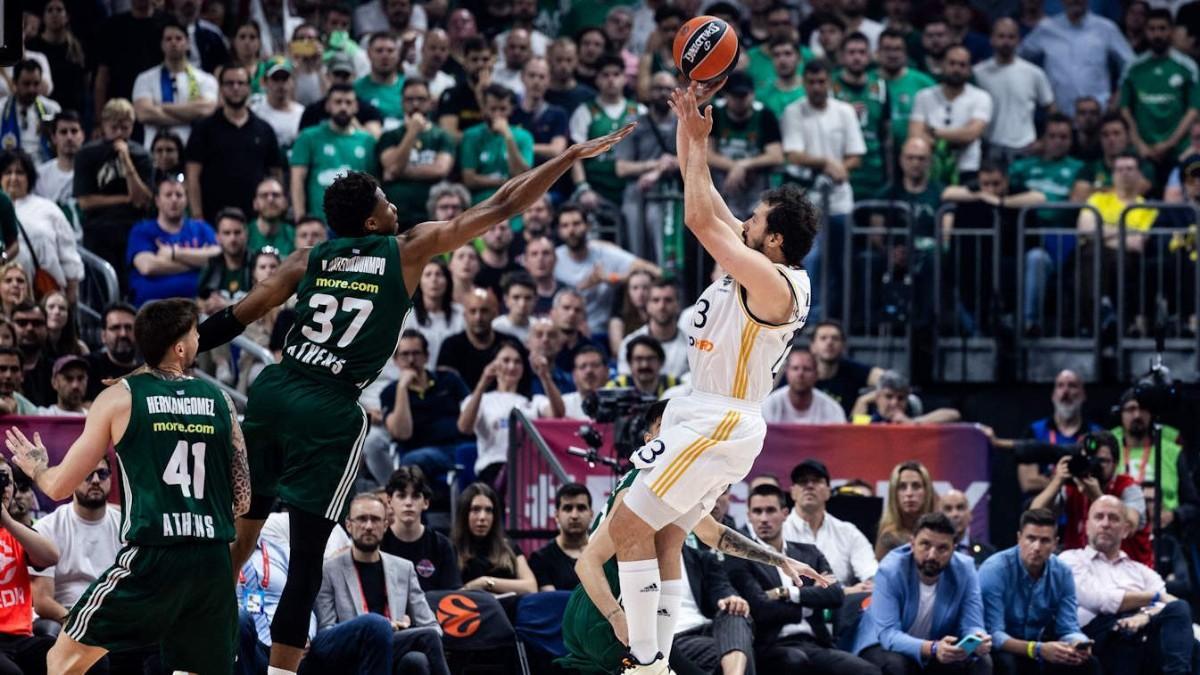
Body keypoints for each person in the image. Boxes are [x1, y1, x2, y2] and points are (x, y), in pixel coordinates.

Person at [205, 122, 632, 675]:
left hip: (271, 394)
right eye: (384, 200)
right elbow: (502, 204)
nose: (393, 205)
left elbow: (231, 318)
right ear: (369, 220)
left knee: (242, 541)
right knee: (308, 557)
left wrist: (157, 362)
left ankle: (198, 653)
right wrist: (566, 157)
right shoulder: (406, 249)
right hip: (328, 407)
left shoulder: (304, 259)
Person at [596, 82, 818, 673]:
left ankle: (644, 663)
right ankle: (660, 660)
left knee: (625, 526)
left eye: (757, 219)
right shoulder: (755, 260)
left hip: (721, 415)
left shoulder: (780, 284)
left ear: (774, 239)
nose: (744, 220)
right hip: (704, 411)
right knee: (666, 536)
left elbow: (697, 216)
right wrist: (688, 131)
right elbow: (710, 198)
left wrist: (696, 143)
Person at [5, 298, 250, 675]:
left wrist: (38, 469)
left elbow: (57, 487)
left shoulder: (120, 397)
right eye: (195, 333)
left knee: (62, 658)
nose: (200, 338)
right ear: (180, 347)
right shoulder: (221, 400)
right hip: (212, 559)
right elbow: (243, 497)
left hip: (155, 556)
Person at [561, 400, 831, 674]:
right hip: (603, 610)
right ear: (650, 440)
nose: (677, 435)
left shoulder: (672, 489)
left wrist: (778, 559)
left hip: (637, 611)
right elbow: (586, 563)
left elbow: (715, 534)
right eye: (667, 427)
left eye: (682, 427)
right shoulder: (636, 490)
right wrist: (616, 618)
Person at [726, 482, 876, 673]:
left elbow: (835, 594)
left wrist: (786, 592)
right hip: (772, 646)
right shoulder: (741, 559)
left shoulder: (809, 553)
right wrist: (809, 606)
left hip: (816, 642)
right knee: (795, 661)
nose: (764, 518)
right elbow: (760, 608)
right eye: (757, 511)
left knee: (868, 671)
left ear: (785, 514)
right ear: (749, 516)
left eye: (771, 510)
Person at [1059, 496, 1198, 674]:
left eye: (1113, 518)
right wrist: (1153, 597)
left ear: (1125, 530)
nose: (1105, 523)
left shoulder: (1141, 571)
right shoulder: (1070, 559)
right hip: (1097, 637)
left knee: (1180, 610)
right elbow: (1098, 600)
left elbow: (1168, 606)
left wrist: (1144, 617)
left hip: (1141, 632)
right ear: (1087, 526)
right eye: (1099, 517)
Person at [315, 494, 450, 675]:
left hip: (392, 646)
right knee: (378, 625)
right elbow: (326, 631)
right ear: (349, 525)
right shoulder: (329, 570)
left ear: (385, 525)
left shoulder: (404, 568)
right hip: (349, 651)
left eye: (376, 520)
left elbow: (433, 627)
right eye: (362, 519)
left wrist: (404, 628)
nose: (369, 526)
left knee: (417, 659)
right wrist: (382, 626)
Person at [854, 512, 994, 674]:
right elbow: (888, 634)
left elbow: (972, 623)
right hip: (881, 643)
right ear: (912, 544)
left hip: (937, 645)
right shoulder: (890, 570)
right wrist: (933, 648)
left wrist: (978, 638)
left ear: (953, 550)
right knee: (897, 665)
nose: (932, 555)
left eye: (942, 548)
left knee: (981, 661)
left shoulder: (965, 569)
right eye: (925, 545)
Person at [781, 58, 864, 319]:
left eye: (821, 81)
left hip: (840, 200)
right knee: (813, 260)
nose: (817, 87)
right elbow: (793, 154)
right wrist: (827, 162)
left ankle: (838, 319)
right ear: (804, 83)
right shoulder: (794, 111)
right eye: (812, 82)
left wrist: (840, 167)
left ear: (830, 82)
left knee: (842, 263)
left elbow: (856, 156)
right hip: (807, 202)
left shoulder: (844, 112)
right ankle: (811, 317)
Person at [978, 509, 1098, 675]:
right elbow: (994, 635)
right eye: (1031, 538)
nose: (1036, 547)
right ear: (1019, 538)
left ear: (1055, 543)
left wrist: (1079, 643)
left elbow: (1068, 627)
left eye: (1044, 541)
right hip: (1000, 648)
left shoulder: (1062, 572)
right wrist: (1037, 649)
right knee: (1008, 663)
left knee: (1085, 662)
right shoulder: (995, 569)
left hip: (1039, 645)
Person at [184, 63, 284, 224]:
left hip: (256, 222)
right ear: (221, 88)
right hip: (212, 220)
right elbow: (192, 176)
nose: (235, 88)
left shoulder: (264, 130)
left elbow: (276, 175)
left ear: (249, 87)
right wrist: (197, 216)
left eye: (240, 83)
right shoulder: (203, 129)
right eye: (230, 83)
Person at [72, 98, 153, 294]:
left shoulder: (141, 155)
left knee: (131, 288)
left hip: (132, 230)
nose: (119, 133)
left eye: (124, 127)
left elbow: (142, 200)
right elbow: (85, 202)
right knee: (100, 289)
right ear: (104, 125)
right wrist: (125, 199)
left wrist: (126, 159)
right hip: (99, 230)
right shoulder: (87, 154)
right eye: (114, 127)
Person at [30, 457, 122, 629]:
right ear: (72, 479)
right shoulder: (48, 528)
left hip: (117, 617)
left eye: (102, 474)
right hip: (68, 617)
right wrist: (77, 622)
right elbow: (42, 601)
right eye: (87, 474)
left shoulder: (126, 526)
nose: (95, 481)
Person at [457, 340, 564, 485]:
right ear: (493, 364)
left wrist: (545, 376)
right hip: (493, 470)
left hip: (527, 471)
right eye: (505, 361)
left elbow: (558, 413)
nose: (511, 366)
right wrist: (483, 383)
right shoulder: (480, 399)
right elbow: (464, 427)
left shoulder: (532, 401)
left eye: (517, 362)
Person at [375, 330, 472, 486]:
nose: (411, 360)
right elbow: (402, 433)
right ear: (395, 360)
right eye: (405, 355)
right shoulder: (390, 393)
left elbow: (471, 411)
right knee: (416, 461)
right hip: (416, 452)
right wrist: (402, 389)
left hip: (456, 447)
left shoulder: (449, 380)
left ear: (427, 356)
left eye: (416, 353)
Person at [554, 203, 661, 339]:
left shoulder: (604, 252)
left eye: (576, 224)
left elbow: (654, 271)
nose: (571, 230)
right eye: (565, 225)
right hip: (566, 332)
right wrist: (584, 286)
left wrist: (613, 278)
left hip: (604, 331)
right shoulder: (553, 258)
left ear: (588, 226)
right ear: (559, 230)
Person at [1118, 8, 1199, 182]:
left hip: (1179, 150)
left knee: (1181, 199)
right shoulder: (1133, 68)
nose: (1157, 34)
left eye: (1162, 28)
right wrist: (1139, 144)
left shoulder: (1187, 67)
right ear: (1145, 31)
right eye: (1152, 29)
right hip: (1142, 150)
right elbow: (1125, 109)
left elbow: (1193, 110)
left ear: (1171, 30)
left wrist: (1169, 143)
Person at [1018, 0, 1134, 115]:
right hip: (1060, 116)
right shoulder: (1046, 28)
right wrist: (1039, 93)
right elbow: (1018, 56)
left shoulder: (1105, 28)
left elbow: (1131, 63)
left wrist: (1120, 94)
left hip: (1098, 114)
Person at [0, 456, 60, 673]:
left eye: (6, 481)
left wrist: (5, 518)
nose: (3, 488)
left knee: (83, 658)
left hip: (21, 639)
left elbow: (51, 556)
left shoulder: (17, 533)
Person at [0, 149, 84, 302]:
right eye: (7, 172)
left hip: (45, 295)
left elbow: (68, 255)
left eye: (19, 172)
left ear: (29, 177)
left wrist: (71, 296)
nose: (13, 178)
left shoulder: (48, 209)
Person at [783, 459, 877, 592]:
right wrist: (840, 592)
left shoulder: (848, 532)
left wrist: (870, 584)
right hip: (793, 607)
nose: (809, 486)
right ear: (792, 492)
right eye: (802, 481)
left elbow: (871, 573)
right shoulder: (780, 532)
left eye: (816, 480)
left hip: (842, 609)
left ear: (828, 491)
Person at [126, 176, 220, 306]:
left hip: (198, 306)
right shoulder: (142, 230)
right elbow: (148, 267)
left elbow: (218, 256)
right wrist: (198, 263)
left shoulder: (201, 228)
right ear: (157, 201)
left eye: (179, 195)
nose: (174, 199)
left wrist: (174, 253)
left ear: (186, 199)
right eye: (168, 195)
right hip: (152, 308)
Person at [289, 84, 378, 221]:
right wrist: (300, 219)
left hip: (358, 226)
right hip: (319, 223)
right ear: (328, 106)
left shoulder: (367, 141)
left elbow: (375, 185)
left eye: (348, 102)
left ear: (356, 107)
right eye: (338, 102)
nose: (343, 107)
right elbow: (297, 180)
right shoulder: (308, 137)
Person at [376, 78, 455, 231]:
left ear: (430, 101)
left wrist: (399, 172)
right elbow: (392, 166)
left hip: (433, 217)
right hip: (396, 217)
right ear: (402, 102)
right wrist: (412, 132)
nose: (416, 104)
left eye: (421, 99)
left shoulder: (442, 136)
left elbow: (440, 169)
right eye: (410, 99)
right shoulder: (389, 136)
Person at [972, 19, 1055, 162]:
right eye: (1001, 36)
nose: (1006, 41)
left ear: (1018, 40)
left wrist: (1044, 140)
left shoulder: (1034, 73)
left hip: (1025, 146)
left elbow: (1051, 109)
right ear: (992, 39)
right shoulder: (978, 73)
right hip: (990, 145)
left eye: (1011, 37)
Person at [909, 45, 993, 184]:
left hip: (968, 169)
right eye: (952, 63)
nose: (956, 69)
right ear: (942, 65)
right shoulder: (924, 96)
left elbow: (970, 134)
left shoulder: (981, 97)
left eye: (962, 65)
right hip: (930, 169)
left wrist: (932, 132)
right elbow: (915, 135)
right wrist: (956, 135)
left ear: (969, 69)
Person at [571, 55, 645, 210]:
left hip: (634, 188)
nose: (611, 80)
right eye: (605, 75)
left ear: (625, 78)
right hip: (596, 190)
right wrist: (583, 188)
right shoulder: (585, 111)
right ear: (597, 79)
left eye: (616, 74)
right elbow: (575, 156)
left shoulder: (639, 111)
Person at [131, 20, 219, 148]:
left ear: (188, 43)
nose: (173, 42)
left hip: (193, 148)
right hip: (156, 150)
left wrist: (162, 107)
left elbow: (206, 110)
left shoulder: (205, 79)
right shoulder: (145, 78)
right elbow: (144, 114)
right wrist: (190, 116)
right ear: (161, 44)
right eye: (168, 39)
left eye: (178, 38)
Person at [380, 467, 461, 592]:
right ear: (390, 501)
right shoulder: (379, 544)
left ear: (426, 503)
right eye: (401, 496)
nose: (408, 502)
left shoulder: (442, 546)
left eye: (416, 496)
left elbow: (451, 596)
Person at [452, 482, 538, 596]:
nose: (482, 517)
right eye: (476, 509)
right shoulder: (451, 549)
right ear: (464, 514)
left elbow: (531, 587)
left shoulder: (509, 547)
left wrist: (485, 582)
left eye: (488, 510)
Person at [832, 33, 889, 200]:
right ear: (842, 56)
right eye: (851, 52)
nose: (857, 57)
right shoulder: (829, 86)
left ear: (869, 56)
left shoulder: (880, 86)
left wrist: (889, 176)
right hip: (842, 171)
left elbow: (887, 135)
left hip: (874, 173)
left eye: (862, 52)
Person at [811, 320, 884, 415]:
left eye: (835, 338)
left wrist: (864, 400)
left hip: (847, 427)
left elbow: (893, 381)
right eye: (823, 338)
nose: (829, 342)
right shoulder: (801, 370)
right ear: (813, 346)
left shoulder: (851, 369)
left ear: (843, 346)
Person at [617, 280, 687, 379]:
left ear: (677, 305)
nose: (662, 306)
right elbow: (626, 383)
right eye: (656, 300)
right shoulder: (629, 343)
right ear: (647, 305)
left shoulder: (692, 346)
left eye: (668, 300)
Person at [529, 482, 592, 591]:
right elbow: (553, 601)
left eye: (581, 508)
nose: (574, 515)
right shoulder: (541, 558)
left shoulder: (606, 554)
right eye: (568, 508)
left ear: (591, 514)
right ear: (556, 515)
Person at [400, 259, 463, 367]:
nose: (434, 279)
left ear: (448, 280)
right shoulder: (408, 315)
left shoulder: (460, 313)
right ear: (419, 282)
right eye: (428, 275)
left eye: (439, 274)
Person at [762, 350, 847, 424]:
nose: (800, 374)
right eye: (795, 368)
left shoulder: (832, 409)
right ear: (787, 372)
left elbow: (840, 439)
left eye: (807, 369)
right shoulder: (769, 405)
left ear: (816, 374)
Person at [0, 60, 61, 162]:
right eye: (26, 84)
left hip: (44, 167)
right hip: (10, 170)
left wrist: (50, 136)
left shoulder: (52, 109)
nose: (31, 89)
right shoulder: (1, 109)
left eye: (36, 84)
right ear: (15, 82)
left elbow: (61, 148)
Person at [876, 461, 938, 560]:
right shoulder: (888, 537)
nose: (909, 493)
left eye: (916, 486)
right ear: (894, 493)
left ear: (927, 491)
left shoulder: (941, 533)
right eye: (902, 487)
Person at [83, 304, 141, 401]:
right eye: (115, 328)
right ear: (103, 336)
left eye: (129, 327)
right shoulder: (87, 368)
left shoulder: (150, 372)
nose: (123, 334)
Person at [941, 489, 995, 567]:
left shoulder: (988, 553)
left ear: (970, 514)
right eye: (948, 509)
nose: (955, 514)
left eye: (960, 508)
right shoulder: (932, 554)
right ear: (939, 516)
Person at [247, 178, 295, 257]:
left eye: (276, 195)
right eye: (264, 195)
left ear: (285, 202)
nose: (270, 199)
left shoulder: (294, 236)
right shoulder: (244, 234)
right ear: (255, 203)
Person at [0, 347, 36, 415]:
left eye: (14, 369)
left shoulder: (30, 409)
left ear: (22, 375)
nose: (8, 375)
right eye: (2, 369)